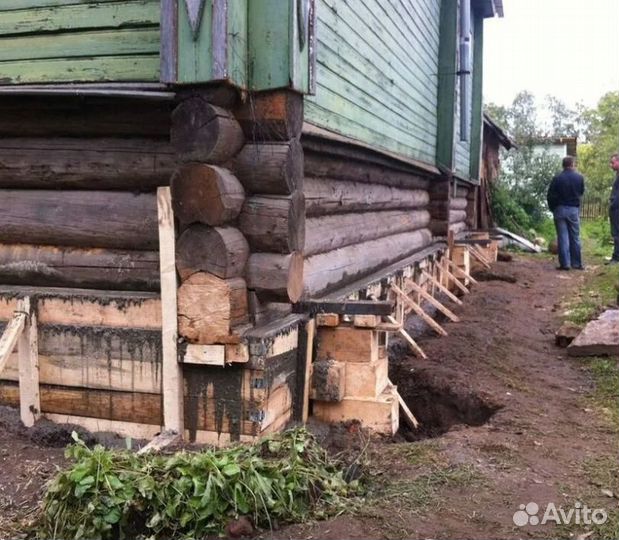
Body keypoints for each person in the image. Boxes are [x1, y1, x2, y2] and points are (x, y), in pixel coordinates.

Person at [547, 156, 584, 270]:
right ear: (572, 164)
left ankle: (565, 264)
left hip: (560, 209)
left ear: (563, 165)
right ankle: (576, 263)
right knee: (575, 237)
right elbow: (581, 192)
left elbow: (550, 195)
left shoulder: (557, 178)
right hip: (573, 209)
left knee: (562, 237)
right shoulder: (579, 177)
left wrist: (553, 208)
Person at [608, 153, 619, 264]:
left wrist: (613, 205)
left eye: (612, 162)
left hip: (617, 209)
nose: (611, 164)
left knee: (616, 233)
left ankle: (616, 258)